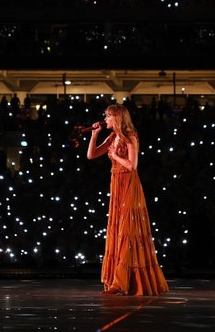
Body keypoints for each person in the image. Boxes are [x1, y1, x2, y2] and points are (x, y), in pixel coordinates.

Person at [87, 103, 169, 296]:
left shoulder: (130, 136)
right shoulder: (112, 136)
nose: (105, 119)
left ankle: (123, 281)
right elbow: (91, 155)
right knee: (117, 229)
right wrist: (94, 135)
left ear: (117, 118)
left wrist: (115, 155)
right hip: (117, 184)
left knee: (127, 230)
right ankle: (117, 279)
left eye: (108, 116)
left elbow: (132, 165)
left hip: (129, 184)